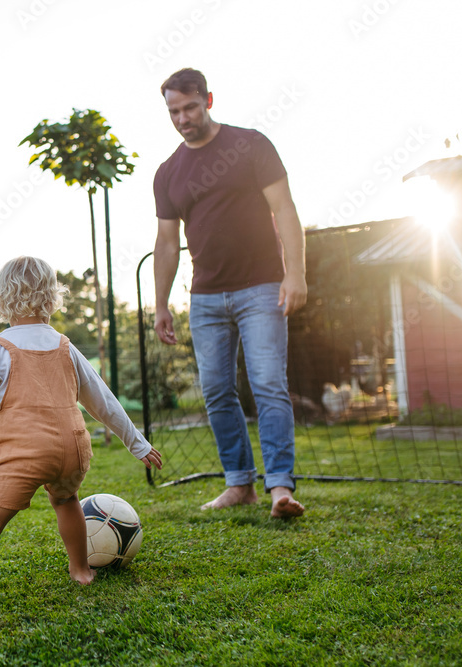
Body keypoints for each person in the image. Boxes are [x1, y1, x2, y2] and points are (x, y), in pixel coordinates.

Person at [0, 256, 162, 629]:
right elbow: (103, 400)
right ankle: (81, 570)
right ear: (52, 298)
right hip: (74, 448)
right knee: (66, 500)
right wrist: (138, 444)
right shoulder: (65, 346)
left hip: (26, 451)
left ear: (1, 300)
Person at [151, 68, 307, 519]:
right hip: (205, 298)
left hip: (261, 288)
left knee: (268, 385)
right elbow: (165, 242)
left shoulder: (251, 145)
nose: (182, 118)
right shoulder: (168, 173)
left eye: (190, 107)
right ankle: (240, 484)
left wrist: (294, 274)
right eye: (173, 111)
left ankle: (280, 487)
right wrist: (161, 304)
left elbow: (285, 209)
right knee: (217, 391)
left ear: (208, 100)